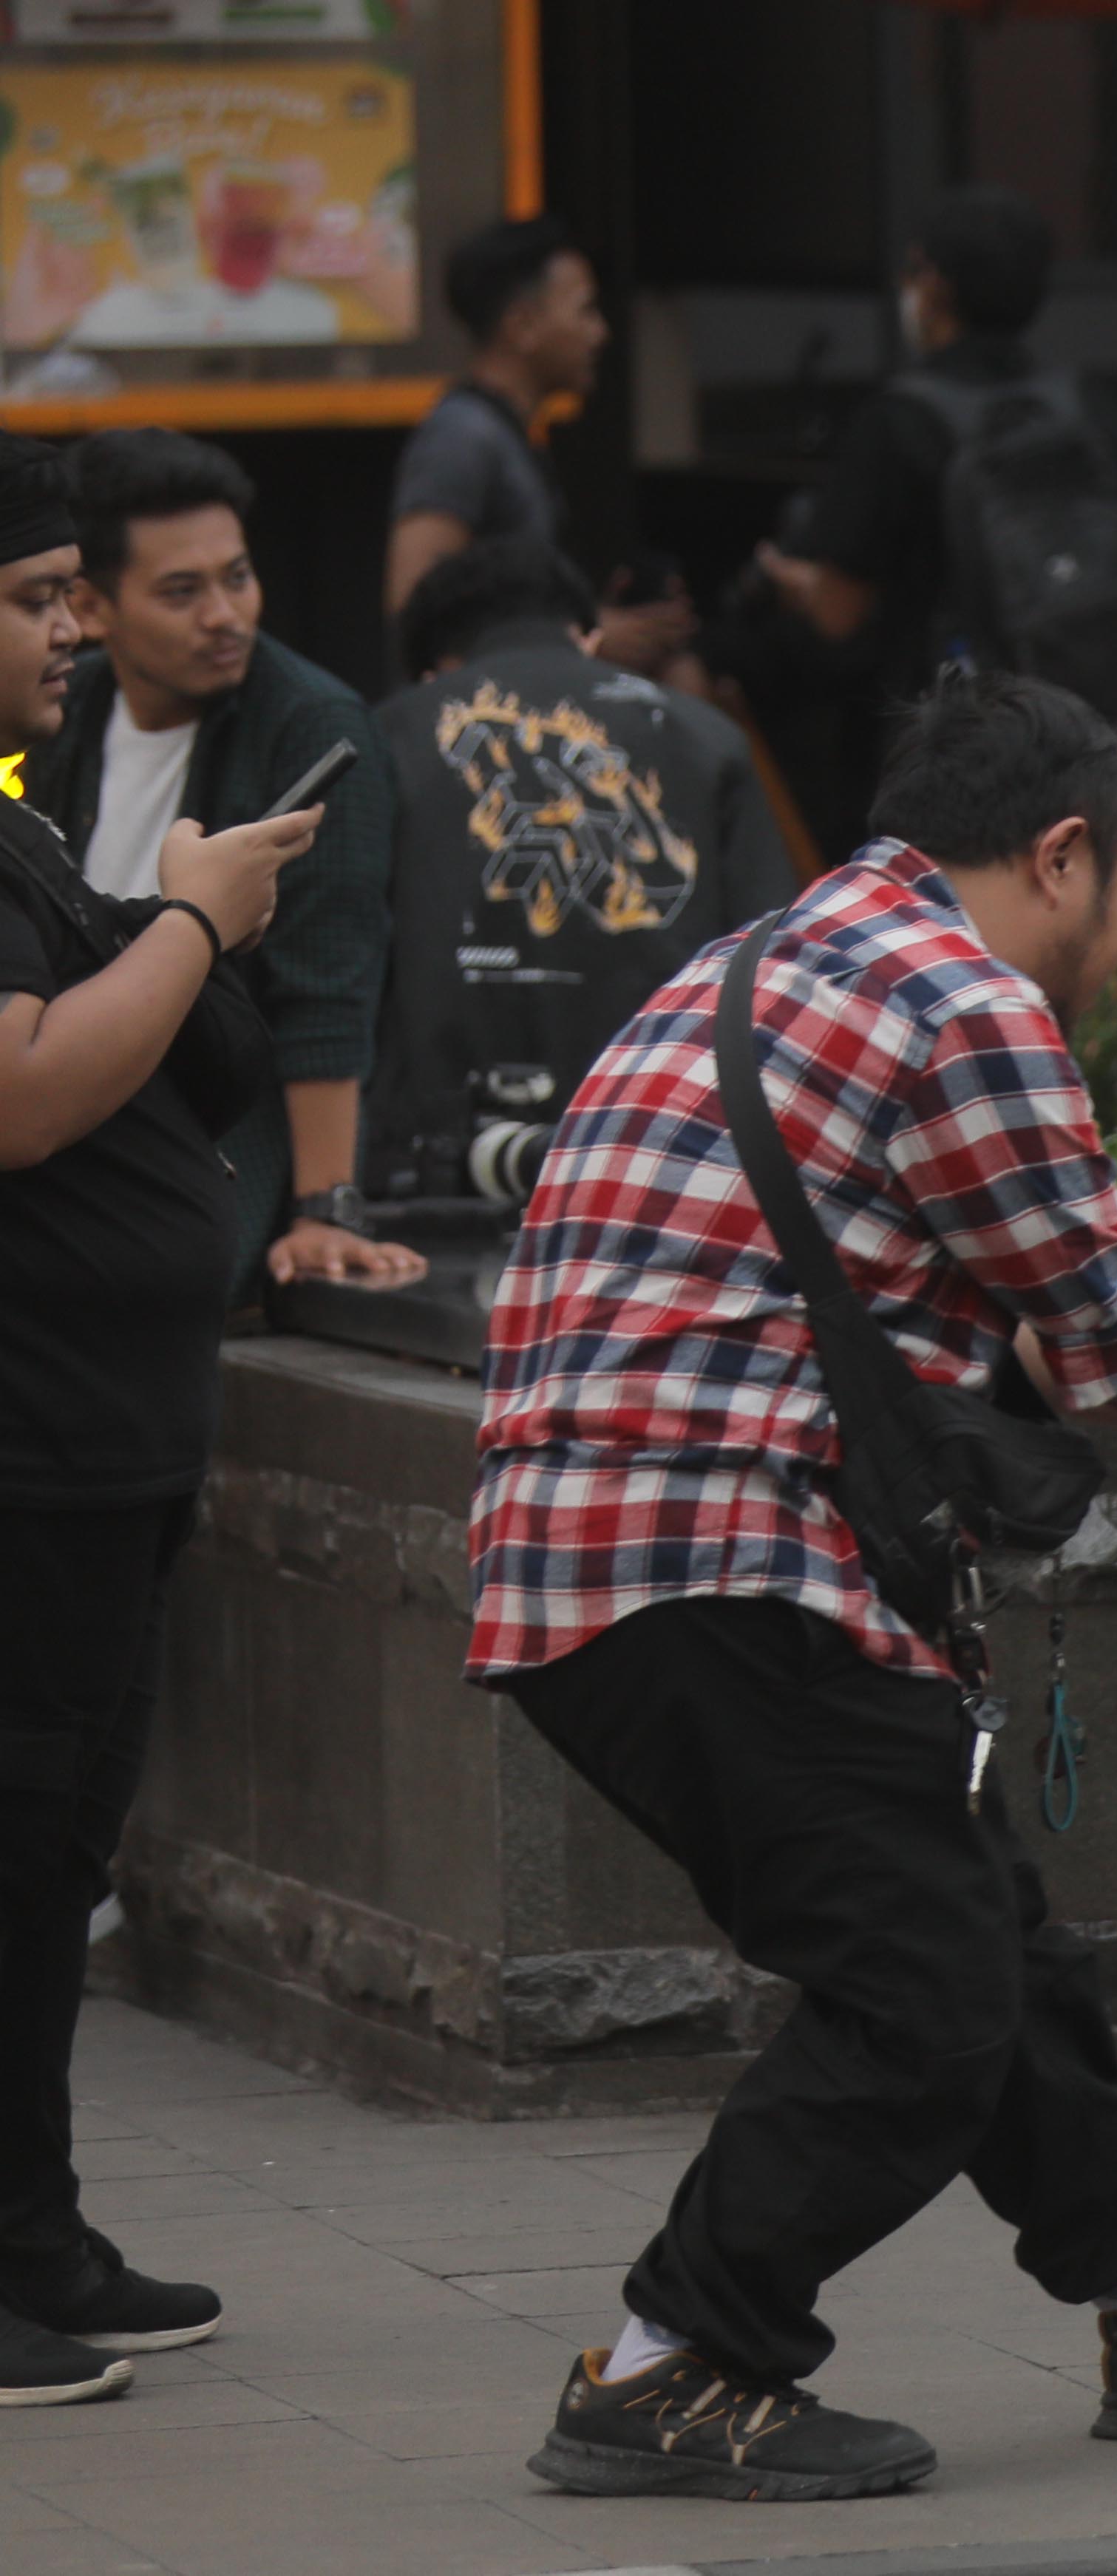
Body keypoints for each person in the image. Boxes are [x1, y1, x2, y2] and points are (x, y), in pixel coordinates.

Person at [470, 672, 1117, 2500]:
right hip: (711, 1549)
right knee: (922, 1982)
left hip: (607, 1547)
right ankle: (670, 2357)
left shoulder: (767, 958)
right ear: (1060, 851)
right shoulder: (956, 995)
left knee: (976, 1931)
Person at [0, 432, 317, 2407]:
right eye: (34, 602)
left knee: (52, 1868)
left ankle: (35, 2228)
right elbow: (24, 1094)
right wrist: (190, 916)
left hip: (105, 1448)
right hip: (23, 1455)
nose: (68, 634)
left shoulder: (17, 811)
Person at [32, 429, 414, 1298]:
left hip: (210, 1151)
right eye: (182, 591)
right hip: (75, 1119)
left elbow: (328, 984)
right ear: (92, 608)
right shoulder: (71, 707)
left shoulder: (310, 723)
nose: (226, 615)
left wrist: (327, 1205)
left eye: (237, 576)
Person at [359, 540, 797, 1204]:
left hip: (429, 1173)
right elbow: (777, 965)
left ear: (436, 667)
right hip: (667, 1163)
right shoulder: (709, 741)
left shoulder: (385, 735)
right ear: (585, 632)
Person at [757, 188, 1117, 786]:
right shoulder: (1096, 408)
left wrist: (787, 583)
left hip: (959, 760)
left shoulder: (899, 421)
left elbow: (837, 614)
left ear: (934, 283)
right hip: (1104, 742)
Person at [388, 217, 688, 677]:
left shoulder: (508, 436)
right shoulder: (461, 437)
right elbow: (412, 601)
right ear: (523, 326)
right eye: (585, 311)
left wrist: (594, 620)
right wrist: (589, 635)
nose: (600, 333)